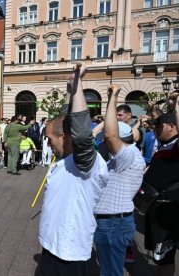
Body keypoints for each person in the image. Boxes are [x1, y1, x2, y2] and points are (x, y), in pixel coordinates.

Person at [38, 65, 108, 276]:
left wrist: (78, 87)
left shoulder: (85, 164)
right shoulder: (65, 160)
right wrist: (70, 90)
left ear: (65, 138)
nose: (48, 144)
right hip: (52, 248)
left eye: (49, 140)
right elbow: (65, 120)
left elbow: (80, 131)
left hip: (68, 255)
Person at [93, 84, 145, 276]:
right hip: (114, 221)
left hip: (113, 223)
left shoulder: (126, 156)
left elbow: (109, 133)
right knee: (109, 269)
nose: (106, 142)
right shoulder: (130, 153)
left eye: (109, 141)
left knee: (110, 272)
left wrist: (113, 97)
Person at [141, 94, 179, 276]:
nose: (155, 129)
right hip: (156, 208)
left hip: (169, 211)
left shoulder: (176, 145)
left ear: (173, 127)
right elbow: (158, 121)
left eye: (160, 127)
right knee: (160, 256)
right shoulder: (165, 143)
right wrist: (153, 109)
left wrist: (176, 105)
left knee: (165, 256)